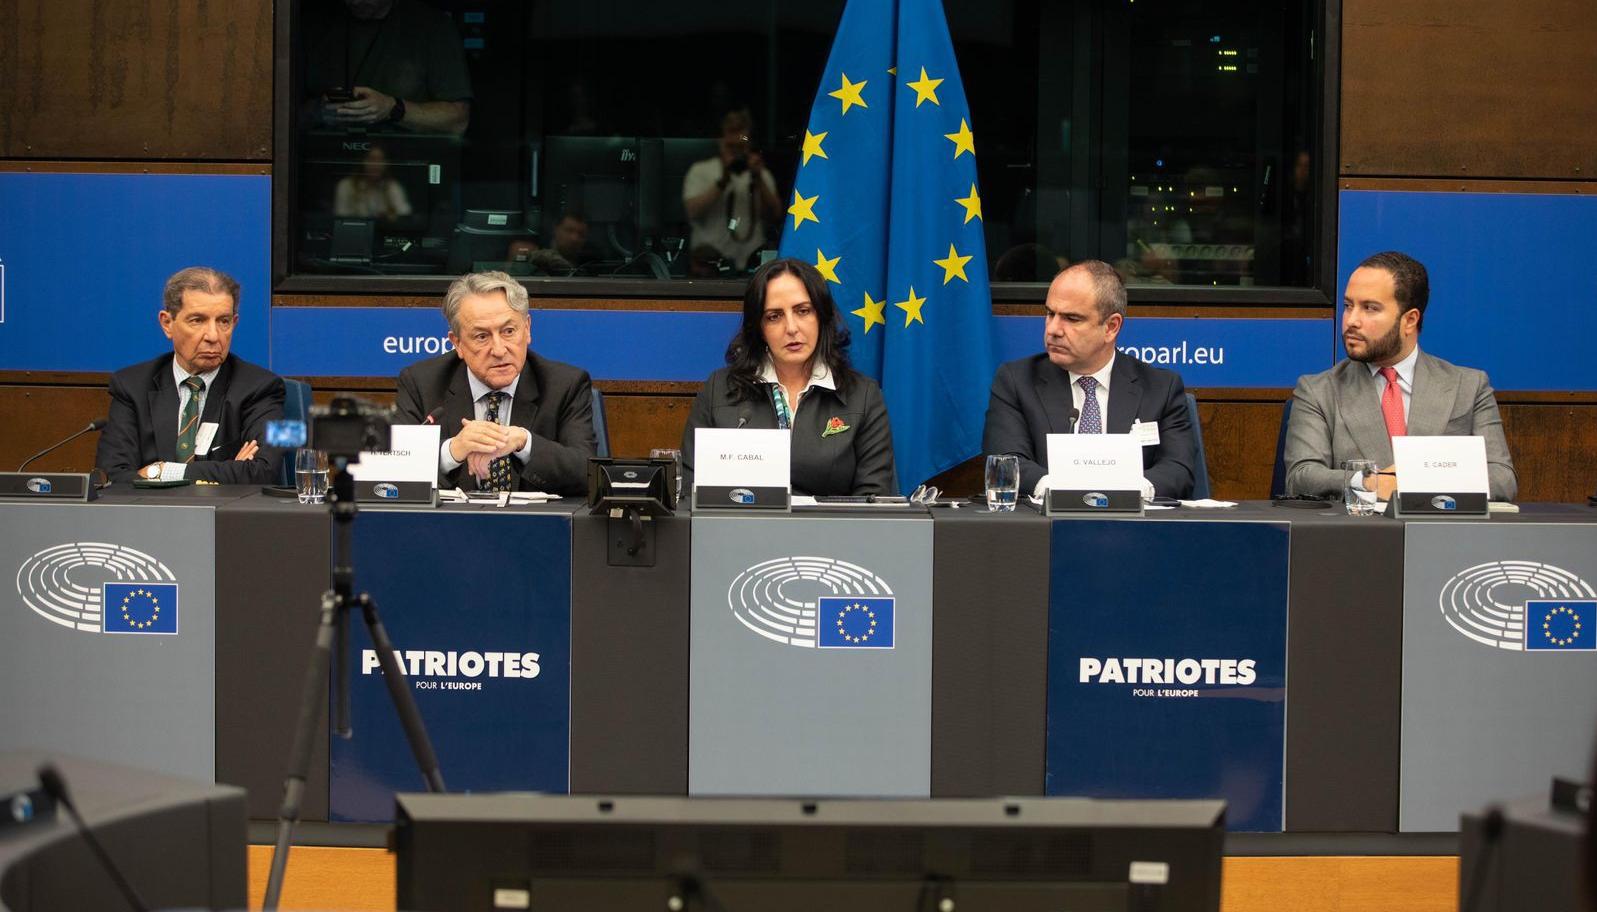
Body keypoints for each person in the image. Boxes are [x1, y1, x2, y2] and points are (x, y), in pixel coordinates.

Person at [1284, 251, 1517, 501]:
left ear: (1410, 320)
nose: (1351, 320)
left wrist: (1416, 482)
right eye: (1348, 306)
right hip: (1356, 536)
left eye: (1370, 308)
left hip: (1442, 534)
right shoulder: (1318, 391)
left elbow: (1503, 480)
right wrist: (1367, 482)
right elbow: (1301, 477)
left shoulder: (1469, 387)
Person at [982, 260, 1197, 499]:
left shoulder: (1160, 388)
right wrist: (1063, 491)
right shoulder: (1016, 381)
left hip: (1133, 528)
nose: (1053, 329)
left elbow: (1178, 470)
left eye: (1071, 319)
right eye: (1050, 313)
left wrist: (1123, 494)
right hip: (1047, 528)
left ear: (1111, 327)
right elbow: (1007, 463)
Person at [680, 258, 896, 496]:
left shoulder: (862, 396)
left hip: (834, 532)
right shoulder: (718, 390)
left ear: (821, 317)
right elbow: (692, 493)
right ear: (759, 328)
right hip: (742, 531)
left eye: (803, 311)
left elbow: (874, 501)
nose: (791, 328)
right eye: (774, 316)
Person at [393, 271, 596, 495]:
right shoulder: (422, 383)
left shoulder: (565, 385)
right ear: (457, 343)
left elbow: (588, 474)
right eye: (482, 336)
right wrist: (453, 451)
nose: (499, 350)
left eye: (509, 331)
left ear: (527, 329)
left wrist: (523, 442)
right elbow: (392, 473)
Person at [96, 267, 286, 485]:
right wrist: (229, 469)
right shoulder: (131, 386)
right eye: (198, 320)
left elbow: (263, 471)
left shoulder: (263, 388)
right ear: (167, 323)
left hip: (222, 516)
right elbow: (111, 476)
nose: (213, 336)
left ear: (234, 323)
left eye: (223, 321)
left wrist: (161, 471)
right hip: (148, 515)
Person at [304, 0, 472, 136]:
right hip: (321, 159)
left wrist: (392, 109)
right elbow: (281, 114)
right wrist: (317, 112)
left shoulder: (433, 26)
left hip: (406, 161)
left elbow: (458, 121)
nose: (354, 2)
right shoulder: (307, 22)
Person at [681, 109, 782, 271]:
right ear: (720, 142)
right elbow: (692, 212)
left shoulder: (761, 175)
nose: (736, 152)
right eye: (731, 146)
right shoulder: (700, 171)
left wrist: (758, 179)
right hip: (709, 265)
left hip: (752, 265)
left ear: (749, 145)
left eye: (741, 146)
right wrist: (723, 180)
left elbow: (775, 215)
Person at [333, 143, 414, 222]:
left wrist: (389, 217)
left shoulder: (393, 186)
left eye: (380, 160)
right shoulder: (346, 186)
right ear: (363, 161)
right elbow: (341, 217)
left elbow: (405, 214)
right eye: (372, 159)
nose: (376, 164)